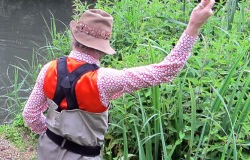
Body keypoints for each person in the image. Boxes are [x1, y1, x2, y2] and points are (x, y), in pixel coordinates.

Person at [22, 0, 215, 159]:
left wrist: (50, 137)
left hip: (47, 150)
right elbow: (166, 71)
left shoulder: (49, 68)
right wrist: (193, 26)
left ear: (75, 37)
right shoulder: (105, 80)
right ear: (102, 47)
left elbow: (30, 115)